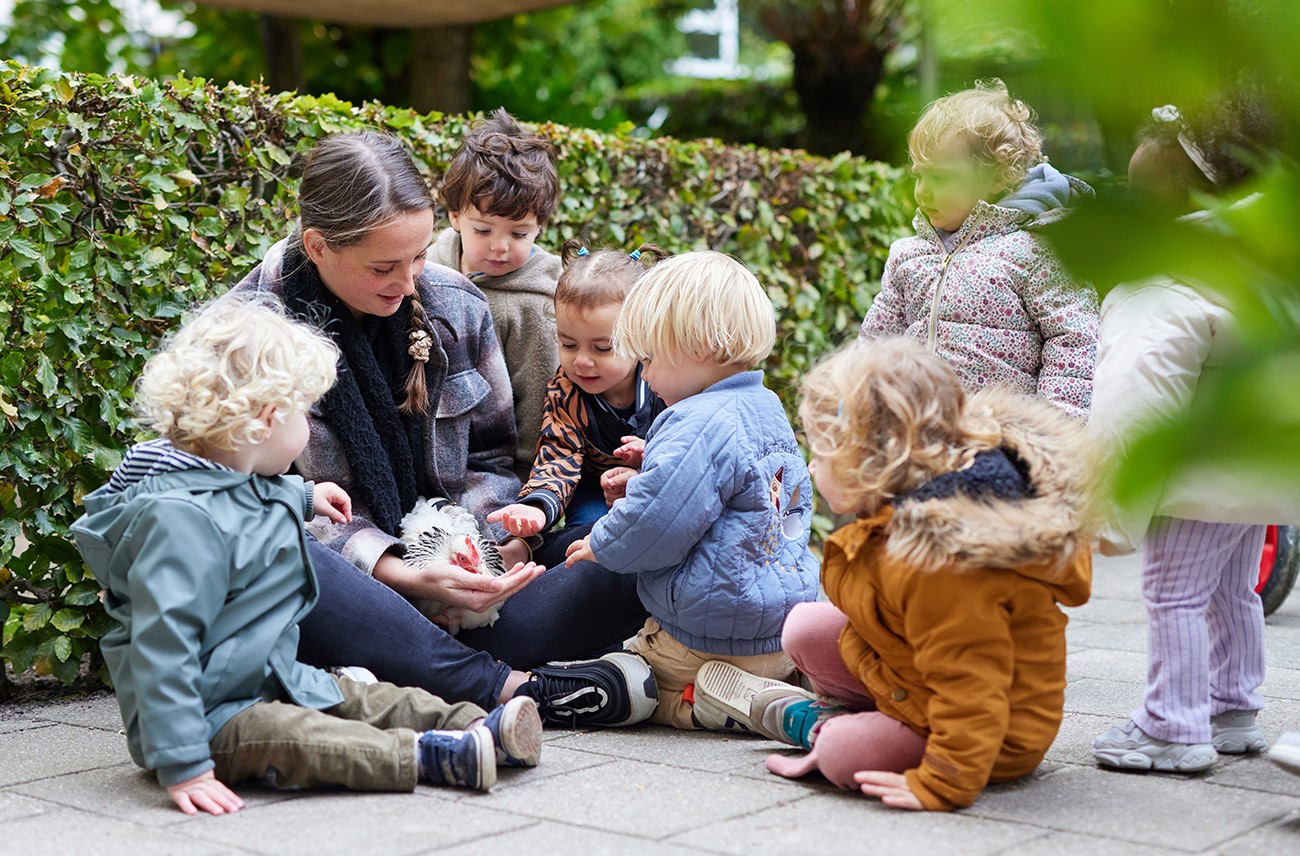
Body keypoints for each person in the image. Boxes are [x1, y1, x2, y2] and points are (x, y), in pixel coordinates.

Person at [231, 131, 656, 728]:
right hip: (353, 586)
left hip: (464, 575)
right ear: (319, 246)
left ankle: (402, 676)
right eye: (384, 267)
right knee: (273, 549)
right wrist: (399, 573)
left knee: (623, 554)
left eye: (422, 255)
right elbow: (241, 502)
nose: (410, 284)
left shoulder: (456, 306)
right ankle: (497, 684)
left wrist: (493, 548)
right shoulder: (248, 332)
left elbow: (491, 457)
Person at [69, 299, 546, 816]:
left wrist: (301, 495)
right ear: (268, 419)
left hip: (269, 675)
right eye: (303, 414)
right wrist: (183, 763)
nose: (307, 430)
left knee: (360, 698)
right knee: (306, 737)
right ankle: (432, 755)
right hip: (212, 720)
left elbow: (238, 496)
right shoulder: (175, 523)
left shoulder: (216, 480)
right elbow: (161, 647)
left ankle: (473, 725)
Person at [703, 338, 1093, 810]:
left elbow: (972, 687)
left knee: (842, 753)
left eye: (823, 456)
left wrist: (941, 784)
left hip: (992, 735)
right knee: (805, 626)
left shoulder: (943, 561)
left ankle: (825, 727)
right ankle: (855, 717)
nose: (811, 466)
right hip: (918, 679)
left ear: (871, 464)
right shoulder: (904, 510)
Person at [1089, 95, 1293, 772]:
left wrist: (1109, 500)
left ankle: (1171, 727)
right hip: (1260, 473)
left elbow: (1135, 389)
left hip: (1196, 477)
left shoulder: (1170, 274)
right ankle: (1233, 705)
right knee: (1233, 590)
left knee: (1173, 592)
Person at [563, 252, 821, 730]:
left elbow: (655, 521)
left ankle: (712, 702)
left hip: (703, 638)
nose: (647, 374)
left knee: (624, 680)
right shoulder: (763, 406)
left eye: (652, 358)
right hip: (778, 629)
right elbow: (733, 498)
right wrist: (652, 468)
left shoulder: (696, 421)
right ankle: (785, 686)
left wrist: (601, 543)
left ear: (698, 349)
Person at [859, 79, 1099, 421]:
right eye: (918, 176)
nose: (923, 193)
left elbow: (1074, 340)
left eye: (940, 178)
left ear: (998, 176)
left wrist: (1052, 438)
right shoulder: (908, 256)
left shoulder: (1037, 249)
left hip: (1000, 441)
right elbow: (876, 342)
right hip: (919, 440)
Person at [488, 240, 667, 547]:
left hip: (660, 484)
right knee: (591, 540)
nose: (582, 361)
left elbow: (692, 446)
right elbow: (558, 455)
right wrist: (536, 508)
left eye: (602, 347)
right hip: (593, 488)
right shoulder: (565, 391)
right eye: (568, 345)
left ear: (642, 336)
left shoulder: (665, 383)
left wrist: (645, 465)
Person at [430, 108, 563, 479]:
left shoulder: (537, 303)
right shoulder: (426, 270)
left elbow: (538, 401)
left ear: (540, 227)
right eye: (483, 231)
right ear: (455, 216)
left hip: (500, 470)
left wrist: (526, 480)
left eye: (518, 234)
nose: (500, 247)